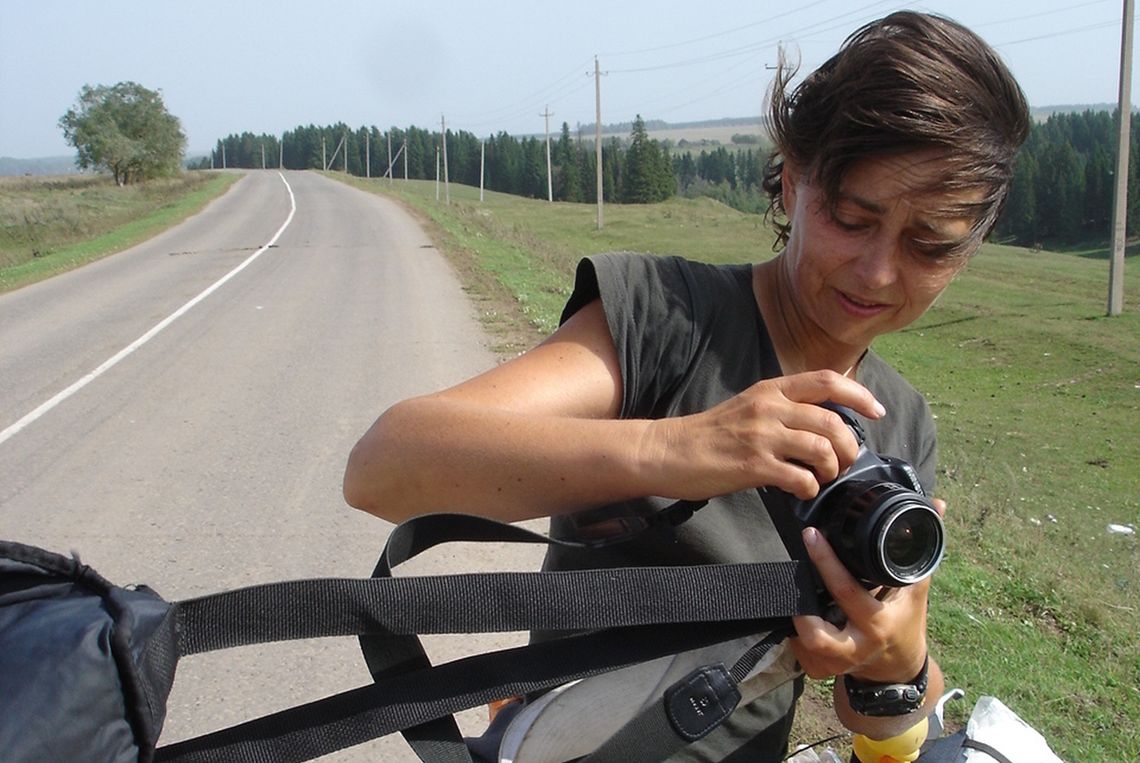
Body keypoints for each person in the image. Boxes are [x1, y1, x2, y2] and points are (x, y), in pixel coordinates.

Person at [344, 11, 1030, 762]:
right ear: (795, 182)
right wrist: (683, 445)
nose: (878, 271)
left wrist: (894, 664)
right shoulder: (667, 317)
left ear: (970, 249)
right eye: (851, 217)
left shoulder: (900, 426)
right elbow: (385, 467)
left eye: (929, 243)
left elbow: (876, 714)